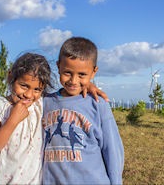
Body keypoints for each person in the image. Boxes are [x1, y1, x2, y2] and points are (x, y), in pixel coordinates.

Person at [0, 52, 109, 184]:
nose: (29, 94)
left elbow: (65, 95)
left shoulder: (41, 104)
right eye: (24, 86)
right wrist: (13, 119)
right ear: (10, 77)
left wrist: (87, 85)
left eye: (37, 89)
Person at [42, 37, 124, 184]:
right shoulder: (44, 102)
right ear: (58, 66)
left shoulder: (98, 104)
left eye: (82, 75)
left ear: (93, 72)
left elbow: (112, 150)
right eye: (67, 72)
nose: (73, 81)